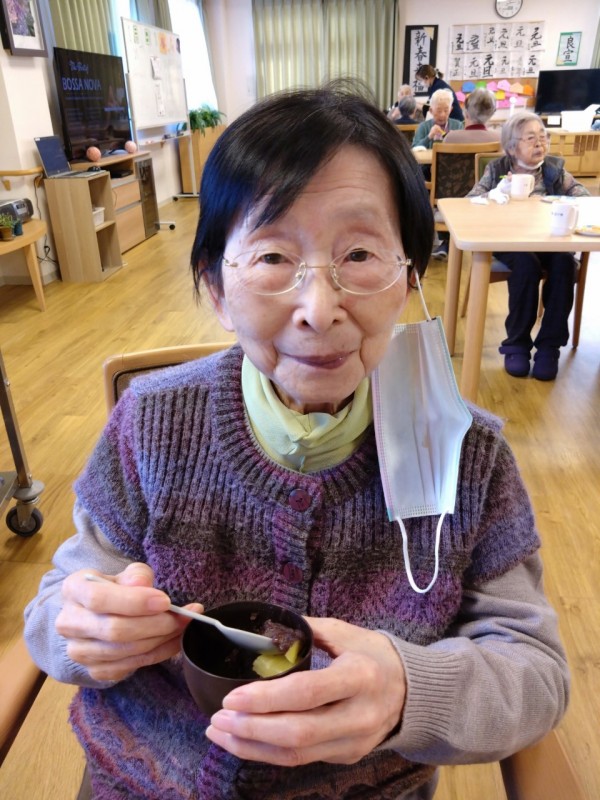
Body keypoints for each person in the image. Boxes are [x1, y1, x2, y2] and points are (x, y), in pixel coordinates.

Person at [24, 83, 568, 800]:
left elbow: (534, 670)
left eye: (360, 253)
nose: (319, 308)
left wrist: (409, 690)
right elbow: (56, 608)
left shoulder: (469, 455)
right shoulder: (150, 422)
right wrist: (83, 630)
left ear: (408, 277)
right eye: (274, 257)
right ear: (217, 288)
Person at [468, 110, 589, 381]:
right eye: (531, 138)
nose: (540, 143)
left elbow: (582, 194)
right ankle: (517, 344)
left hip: (549, 239)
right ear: (512, 147)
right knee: (526, 265)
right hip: (508, 240)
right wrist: (496, 193)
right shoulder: (497, 169)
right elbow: (470, 200)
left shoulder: (554, 170)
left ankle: (549, 347)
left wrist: (563, 201)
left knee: (565, 263)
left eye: (543, 137)